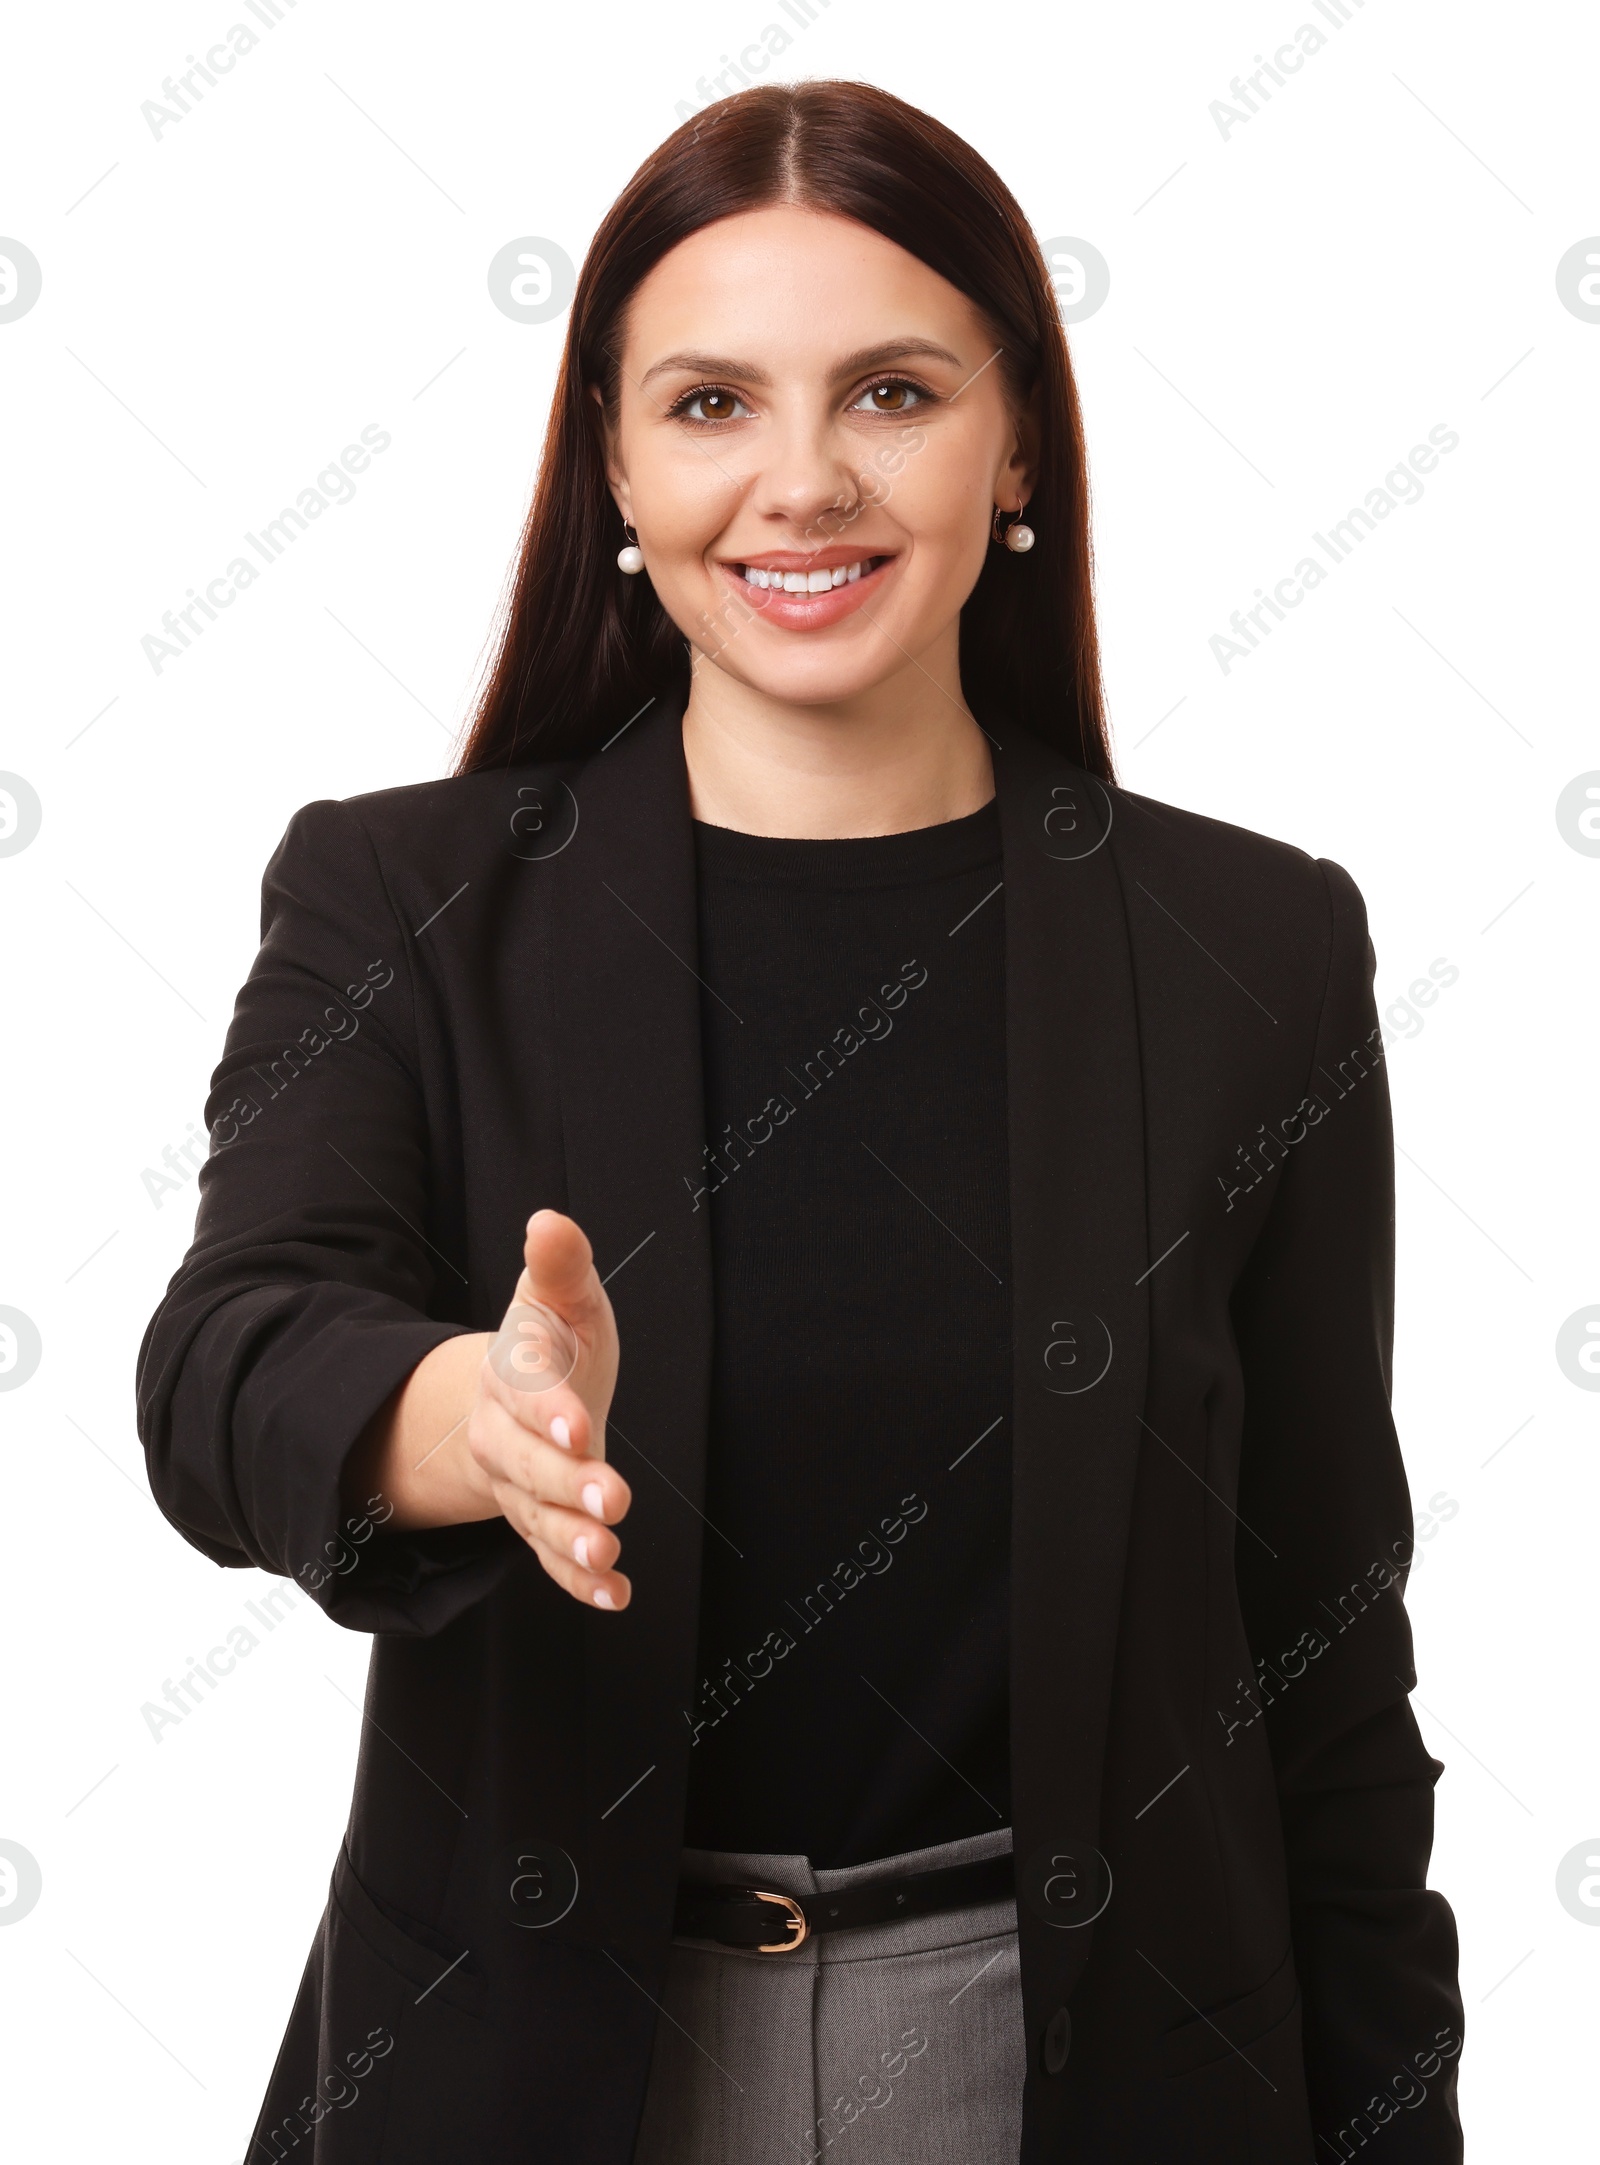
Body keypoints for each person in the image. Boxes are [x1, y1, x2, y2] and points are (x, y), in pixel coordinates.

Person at [137, 78, 1463, 2165]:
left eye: (891, 391)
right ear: (611, 464)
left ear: (1012, 437)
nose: (801, 480)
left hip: (1073, 2070)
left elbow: (1323, 1647)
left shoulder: (1249, 948)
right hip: (540, 2068)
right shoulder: (398, 901)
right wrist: (455, 1422)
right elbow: (225, 1362)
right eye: (709, 405)